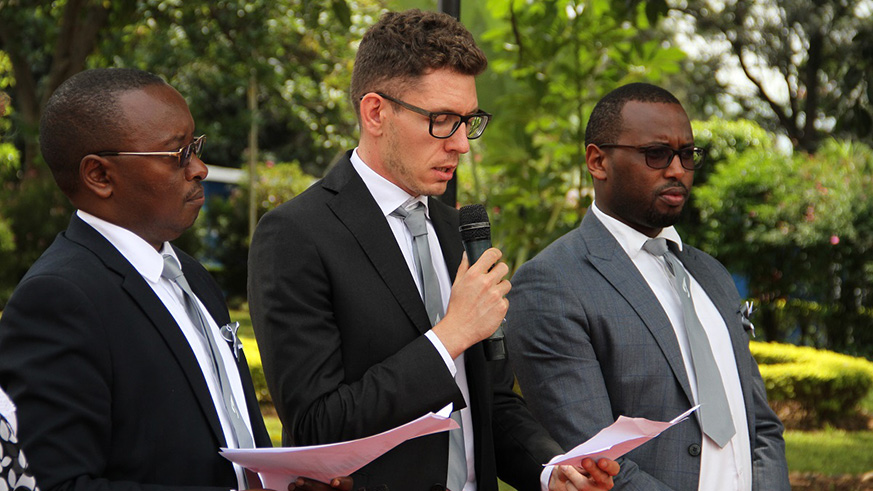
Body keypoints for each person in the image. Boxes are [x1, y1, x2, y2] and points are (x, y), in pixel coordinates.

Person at [248, 9, 619, 491]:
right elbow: (318, 424)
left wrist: (552, 470)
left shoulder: (460, 231)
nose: (462, 144)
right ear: (375, 112)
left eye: (469, 121)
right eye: (443, 121)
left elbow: (494, 403)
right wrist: (449, 337)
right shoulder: (296, 234)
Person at [0, 68, 350, 491]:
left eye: (195, 147)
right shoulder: (58, 299)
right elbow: (57, 485)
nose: (200, 168)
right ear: (99, 176)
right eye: (177, 154)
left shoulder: (191, 276)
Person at [504, 82, 790, 490]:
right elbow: (596, 457)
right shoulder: (551, 283)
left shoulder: (711, 275)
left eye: (687, 154)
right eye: (656, 154)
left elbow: (759, 425)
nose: (676, 170)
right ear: (598, 161)